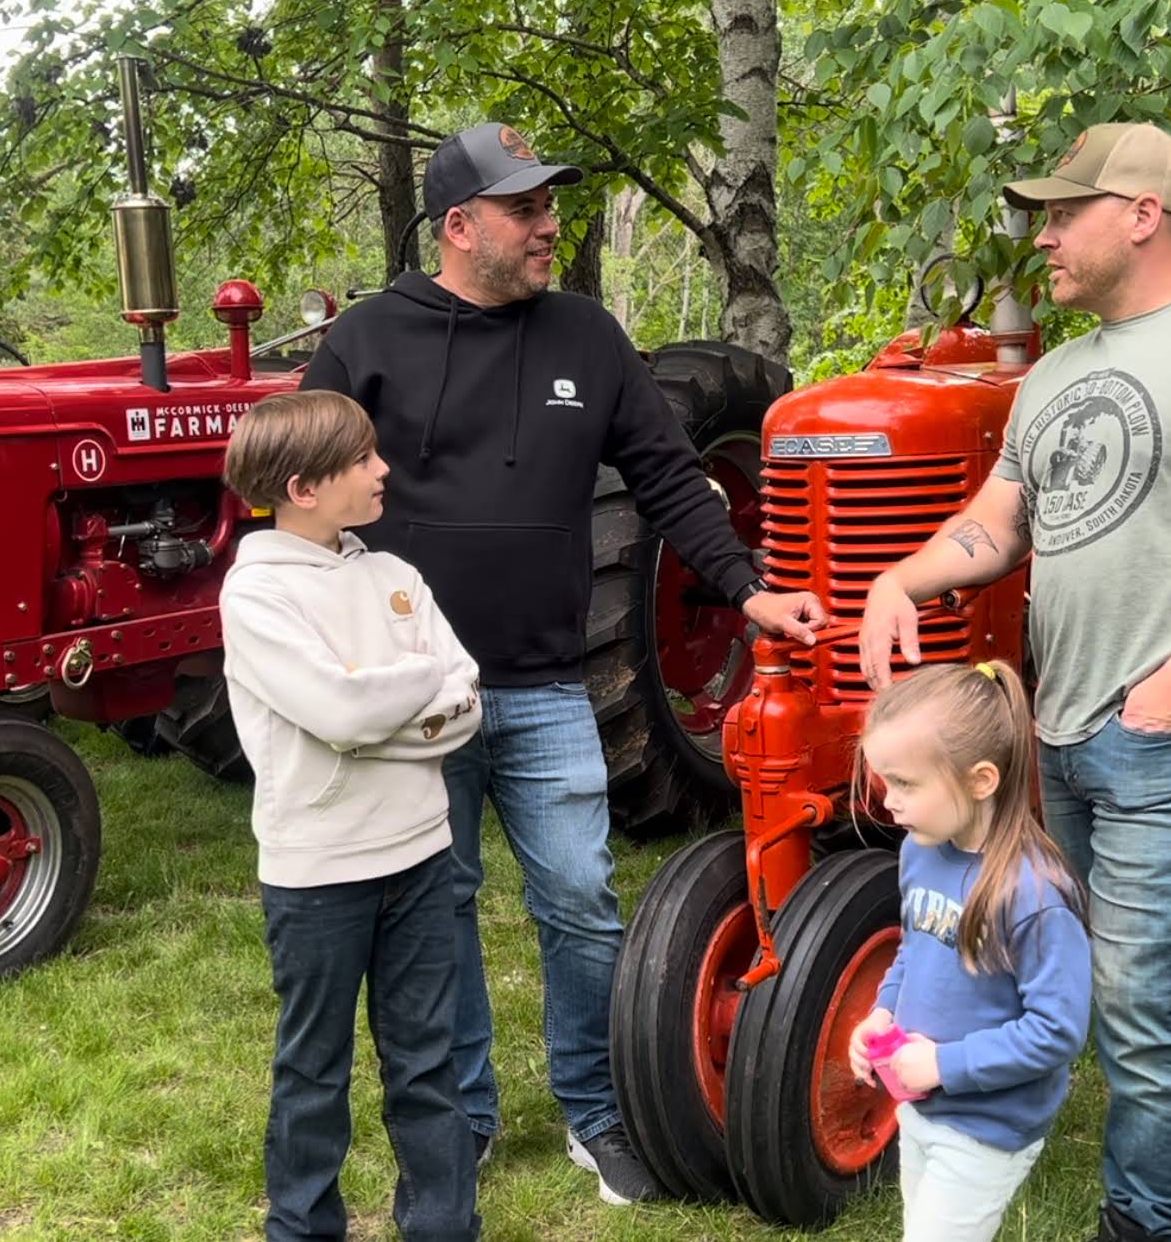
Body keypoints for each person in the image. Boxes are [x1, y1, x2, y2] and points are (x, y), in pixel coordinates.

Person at [299, 121, 829, 1203]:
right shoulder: (365, 342)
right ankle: (468, 1116)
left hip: (545, 685)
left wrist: (747, 587)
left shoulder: (588, 340)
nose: (549, 225)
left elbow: (676, 481)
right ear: (459, 226)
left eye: (550, 206)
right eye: (525, 209)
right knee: (435, 907)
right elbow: (300, 499)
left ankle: (595, 1110)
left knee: (582, 895)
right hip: (415, 698)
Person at [858, 121, 1171, 1242]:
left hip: (1153, 734)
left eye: (1065, 211)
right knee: (1064, 971)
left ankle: (1142, 1217)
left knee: (1138, 1007)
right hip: (1066, 729)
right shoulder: (1056, 377)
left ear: (1142, 215)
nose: (1044, 235)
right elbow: (998, 523)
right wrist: (904, 578)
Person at [219, 390, 482, 1242]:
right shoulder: (256, 597)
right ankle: (301, 1229)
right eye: (363, 459)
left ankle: (445, 1227)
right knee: (313, 1071)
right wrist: (409, 685)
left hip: (421, 855)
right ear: (302, 486)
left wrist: (379, 710)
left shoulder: (394, 576)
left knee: (428, 1064)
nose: (383, 470)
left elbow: (466, 695)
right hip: (319, 874)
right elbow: (339, 713)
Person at [848, 660, 1091, 1242]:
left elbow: (1058, 1031)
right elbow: (915, 949)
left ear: (981, 780)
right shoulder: (920, 851)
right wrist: (884, 1011)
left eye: (905, 784)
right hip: (920, 1104)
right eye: (886, 782)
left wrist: (942, 1065)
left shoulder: (1032, 894)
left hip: (988, 1125)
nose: (888, 802)